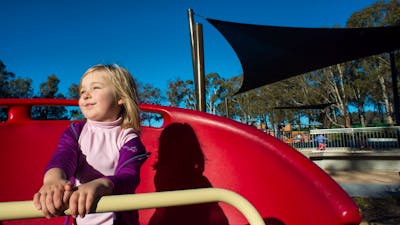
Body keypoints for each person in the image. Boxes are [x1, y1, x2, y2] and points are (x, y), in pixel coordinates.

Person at [33, 64, 148, 225]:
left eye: (95, 88)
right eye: (82, 91)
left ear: (120, 96)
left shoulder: (128, 137)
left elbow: (128, 175)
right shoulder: (76, 132)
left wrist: (101, 184)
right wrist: (53, 181)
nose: (86, 94)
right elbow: (63, 158)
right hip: (79, 218)